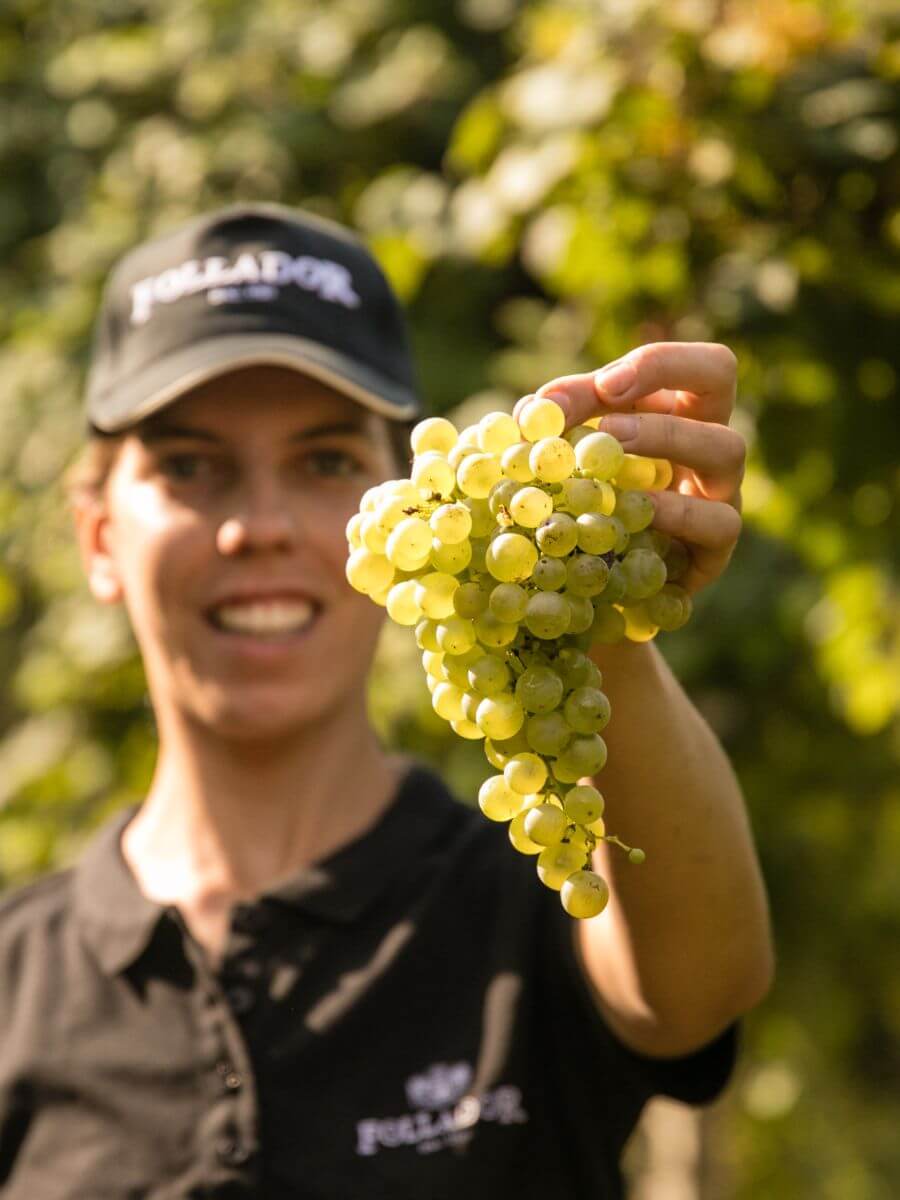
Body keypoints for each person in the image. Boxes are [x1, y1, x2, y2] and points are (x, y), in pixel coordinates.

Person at [0, 202, 774, 1199]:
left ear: (417, 507)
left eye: (326, 461)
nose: (261, 527)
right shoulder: (15, 985)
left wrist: (587, 591)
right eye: (192, 466)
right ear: (99, 535)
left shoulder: (537, 902)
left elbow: (699, 988)